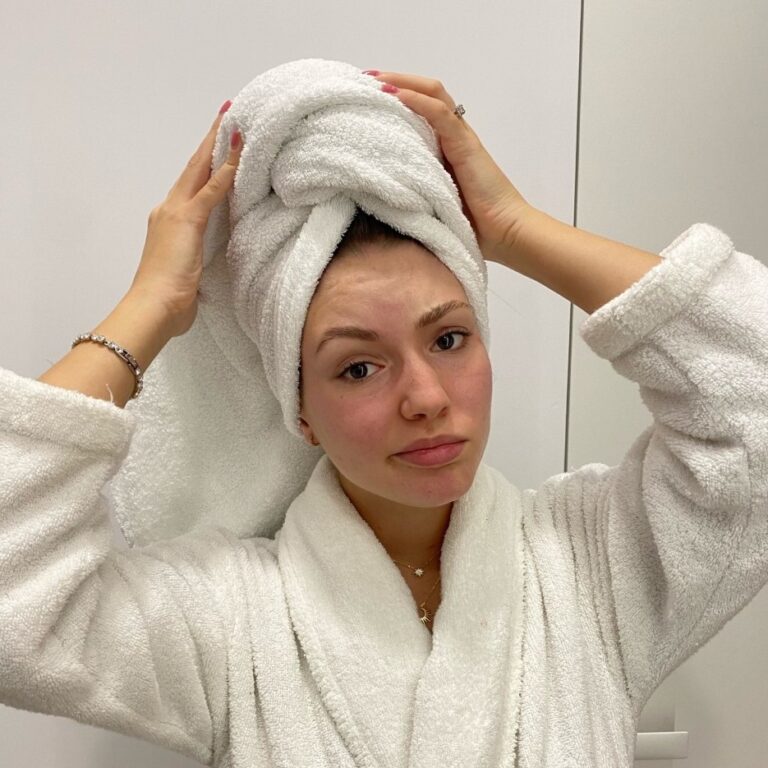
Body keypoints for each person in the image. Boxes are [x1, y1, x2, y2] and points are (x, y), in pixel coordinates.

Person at [1, 70, 766, 767]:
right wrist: (152, 305)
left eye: (449, 338)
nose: (425, 396)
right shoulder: (229, 619)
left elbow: (751, 396)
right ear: (301, 411)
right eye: (358, 366)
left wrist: (514, 227)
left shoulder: (593, 566)